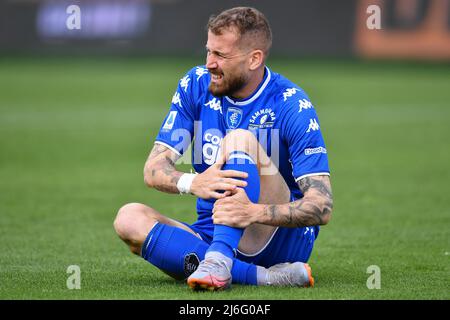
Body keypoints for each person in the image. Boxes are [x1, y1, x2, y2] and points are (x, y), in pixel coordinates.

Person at [113, 6, 333, 291]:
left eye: (221, 55)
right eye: (208, 51)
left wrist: (252, 213)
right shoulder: (194, 85)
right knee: (128, 219)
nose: (210, 63)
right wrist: (194, 182)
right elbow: (154, 169)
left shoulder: (290, 103)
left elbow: (322, 206)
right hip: (213, 227)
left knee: (239, 139)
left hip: (276, 237)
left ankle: (218, 262)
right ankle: (263, 277)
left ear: (255, 59)